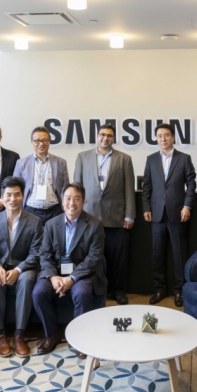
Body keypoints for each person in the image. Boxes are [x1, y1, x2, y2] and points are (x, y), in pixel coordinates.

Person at [32, 182, 107, 358]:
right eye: (68, 198)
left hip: (83, 273)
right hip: (56, 273)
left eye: (77, 198)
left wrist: (71, 278)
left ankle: (81, 339)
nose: (72, 203)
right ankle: (52, 334)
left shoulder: (95, 225)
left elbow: (94, 258)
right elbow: (45, 254)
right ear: (62, 201)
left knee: (81, 293)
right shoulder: (51, 224)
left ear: (84, 201)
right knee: (38, 293)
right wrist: (53, 277)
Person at [73, 123, 136, 305]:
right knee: (92, 256)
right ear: (97, 136)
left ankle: (118, 290)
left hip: (116, 216)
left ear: (113, 139)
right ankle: (96, 289)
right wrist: (76, 213)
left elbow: (129, 189)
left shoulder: (124, 159)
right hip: (89, 216)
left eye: (109, 135)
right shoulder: (82, 157)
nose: (105, 138)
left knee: (118, 258)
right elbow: (76, 187)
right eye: (102, 134)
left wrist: (129, 215)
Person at [0, 176, 43, 358]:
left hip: (24, 268)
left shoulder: (34, 221)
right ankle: (0, 334)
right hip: (1, 267)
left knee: (26, 279)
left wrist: (18, 270)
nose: (13, 199)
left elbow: (36, 253)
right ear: (2, 198)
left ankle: (19, 334)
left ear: (23, 197)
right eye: (8, 195)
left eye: (17, 194)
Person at [142, 123, 197, 307]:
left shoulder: (184, 158)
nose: (163, 139)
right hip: (156, 214)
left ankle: (179, 290)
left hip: (178, 213)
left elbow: (191, 184)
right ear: (156, 139)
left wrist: (187, 206)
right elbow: (147, 186)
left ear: (173, 137)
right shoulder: (151, 159)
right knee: (157, 254)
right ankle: (159, 289)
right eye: (159, 136)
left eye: (166, 135)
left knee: (179, 255)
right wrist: (146, 207)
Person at [13, 126, 69, 226]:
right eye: (37, 140)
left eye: (45, 140)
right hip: (30, 211)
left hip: (55, 211)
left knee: (55, 236)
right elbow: (15, 189)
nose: (41, 144)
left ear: (50, 141)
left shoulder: (61, 162)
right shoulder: (21, 163)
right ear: (32, 142)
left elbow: (66, 188)